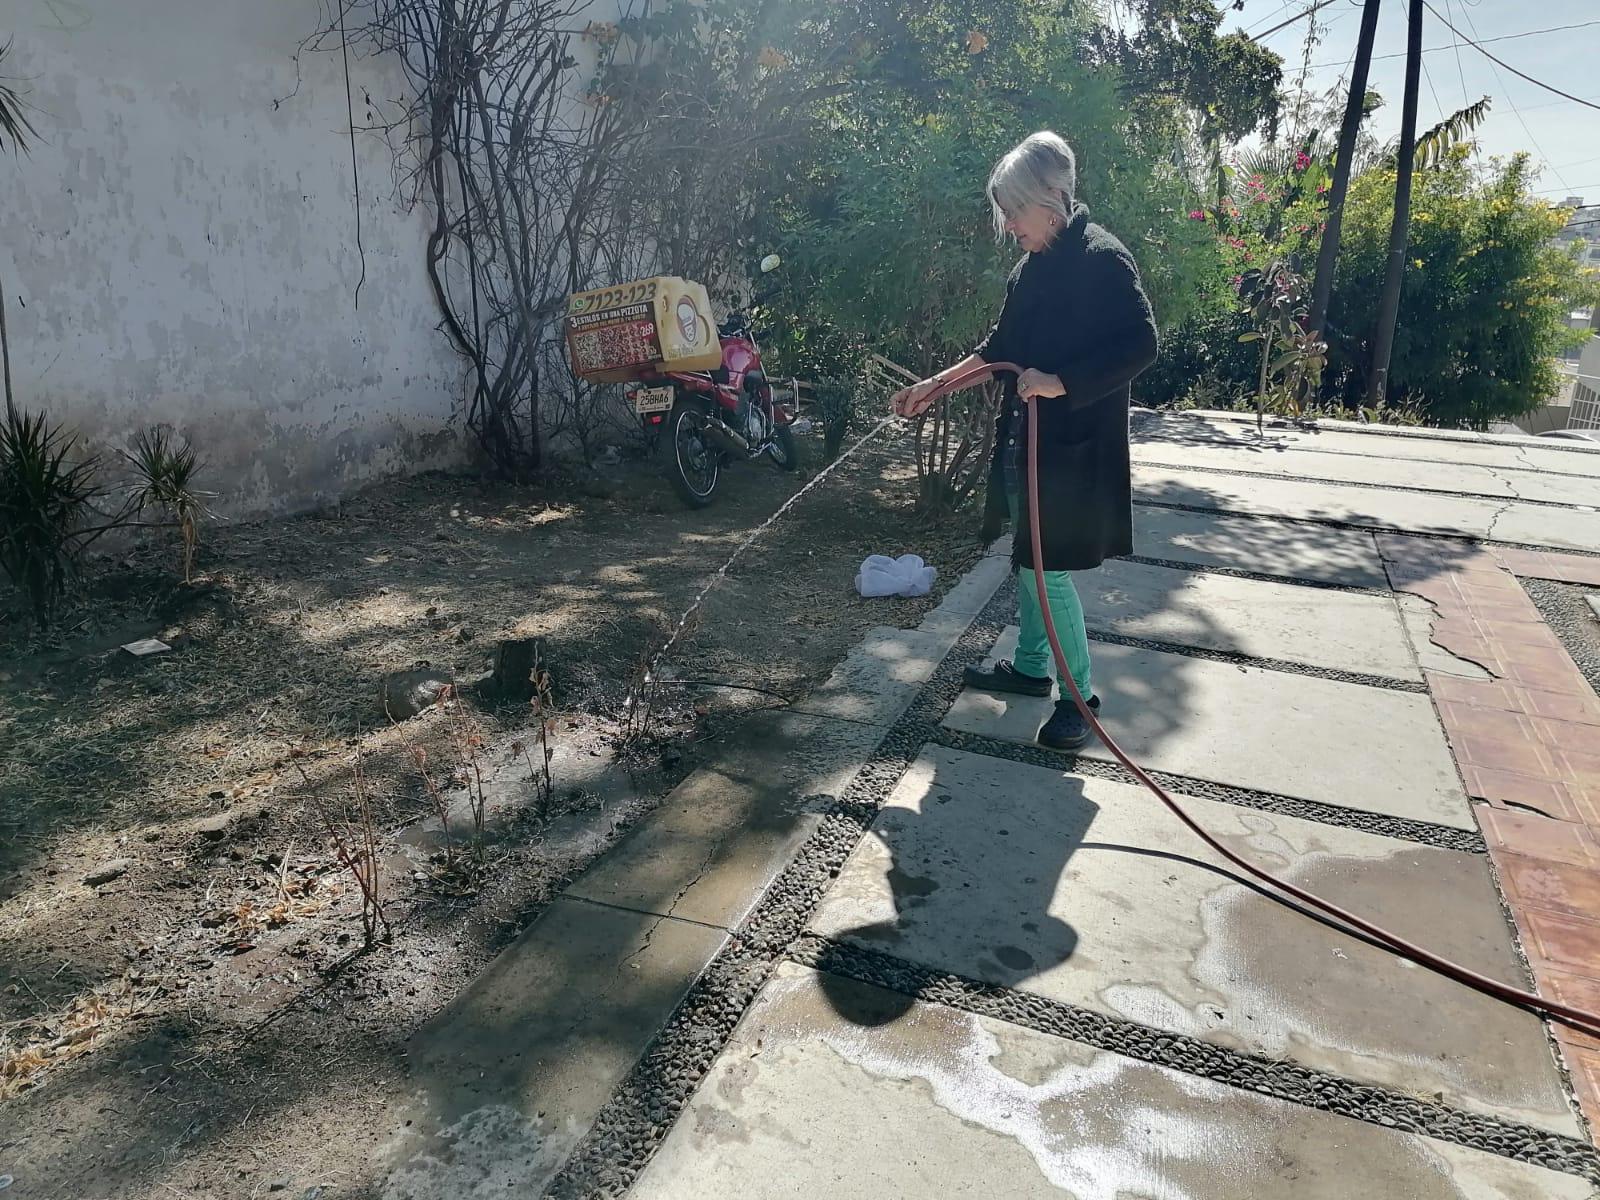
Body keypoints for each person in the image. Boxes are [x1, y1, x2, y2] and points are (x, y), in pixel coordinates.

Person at [890, 131, 1158, 750]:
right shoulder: (1032, 266)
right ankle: (1034, 667)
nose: (1009, 224)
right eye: (1005, 212)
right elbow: (998, 348)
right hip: (1030, 441)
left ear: (1054, 197)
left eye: (1015, 211)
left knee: (1048, 569)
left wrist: (1063, 382)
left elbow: (1142, 346)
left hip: (1077, 447)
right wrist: (935, 385)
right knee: (1028, 556)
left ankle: (1079, 700)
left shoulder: (1102, 259)